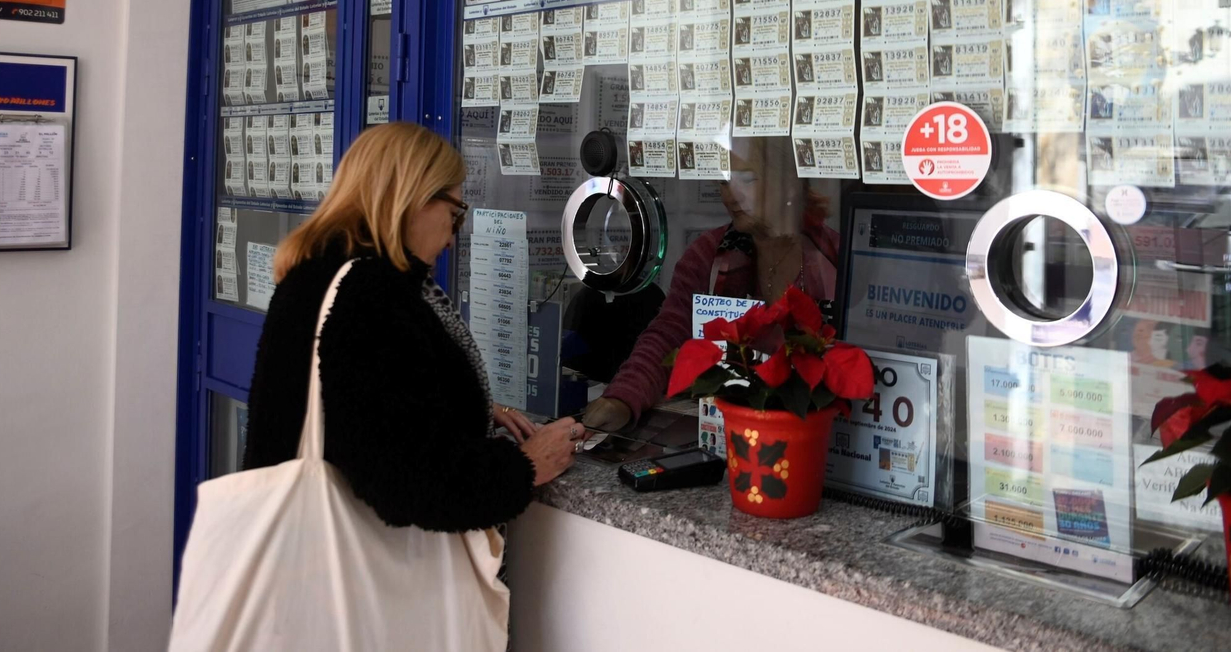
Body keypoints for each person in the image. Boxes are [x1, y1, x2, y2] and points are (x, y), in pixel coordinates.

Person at [243, 122, 584, 542]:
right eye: (455, 215)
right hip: (363, 582)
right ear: (413, 200)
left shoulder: (321, 274)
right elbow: (409, 479)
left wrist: (464, 402)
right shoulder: (368, 296)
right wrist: (528, 464)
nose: (453, 237)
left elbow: (363, 405)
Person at [580, 140, 840, 433]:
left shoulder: (836, 260)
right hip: (723, 435)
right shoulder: (707, 254)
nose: (730, 195)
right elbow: (668, 334)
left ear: (790, 182)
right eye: (723, 181)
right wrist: (623, 398)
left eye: (748, 179)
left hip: (811, 439)